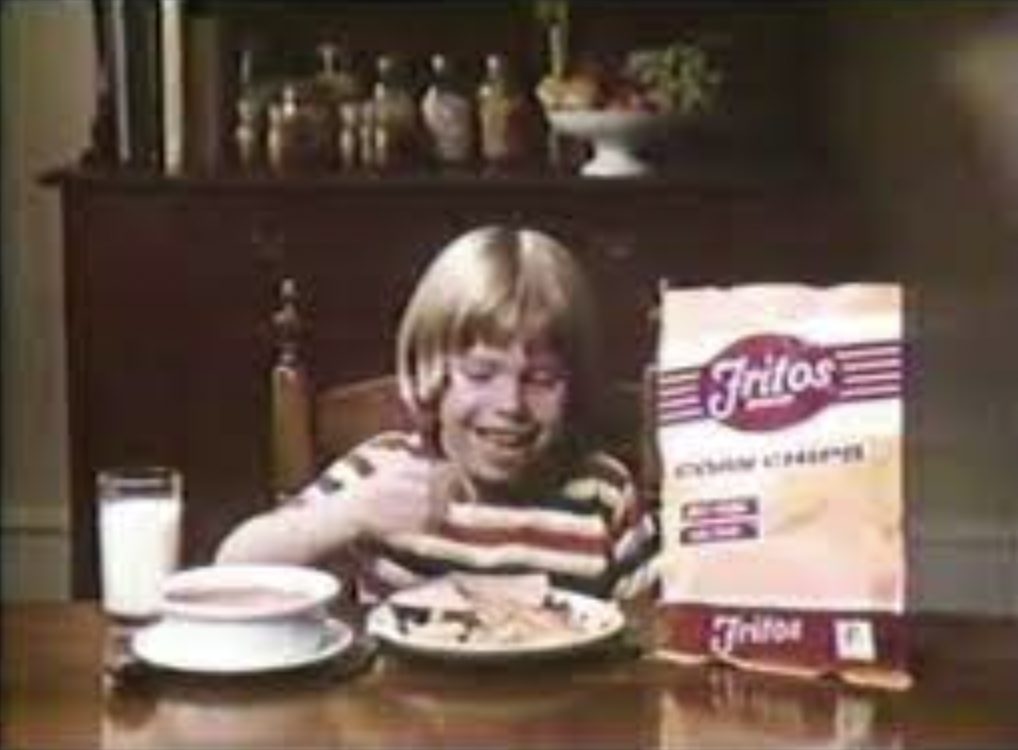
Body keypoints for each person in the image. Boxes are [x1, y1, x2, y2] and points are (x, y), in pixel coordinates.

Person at [215, 225, 657, 601]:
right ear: (429, 373)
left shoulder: (602, 493)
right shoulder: (383, 474)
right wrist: (347, 515)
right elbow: (232, 570)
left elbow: (654, 625)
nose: (510, 404)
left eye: (541, 379)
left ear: (574, 384)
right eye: (480, 374)